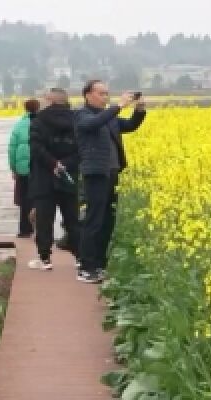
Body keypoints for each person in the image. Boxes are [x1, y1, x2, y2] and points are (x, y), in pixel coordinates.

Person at [74, 80, 147, 283]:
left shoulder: (109, 118)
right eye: (101, 93)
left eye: (107, 94)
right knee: (94, 219)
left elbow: (130, 125)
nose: (105, 97)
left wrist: (139, 109)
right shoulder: (83, 114)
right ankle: (86, 266)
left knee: (108, 221)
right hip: (96, 173)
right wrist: (119, 106)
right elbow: (92, 124)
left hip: (112, 173)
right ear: (88, 95)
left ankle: (99, 264)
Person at [27, 89, 81, 271]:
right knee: (72, 218)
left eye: (44, 98)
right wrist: (64, 164)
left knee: (44, 219)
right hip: (68, 175)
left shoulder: (38, 120)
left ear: (50, 101)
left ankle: (45, 259)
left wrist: (53, 164)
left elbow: (36, 148)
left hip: (44, 176)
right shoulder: (76, 120)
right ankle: (80, 257)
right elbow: (80, 149)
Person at [8, 99, 39, 239]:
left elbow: (12, 148)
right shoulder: (43, 123)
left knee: (25, 199)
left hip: (23, 168)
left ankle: (25, 230)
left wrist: (13, 168)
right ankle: (42, 230)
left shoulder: (19, 125)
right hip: (39, 167)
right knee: (40, 198)